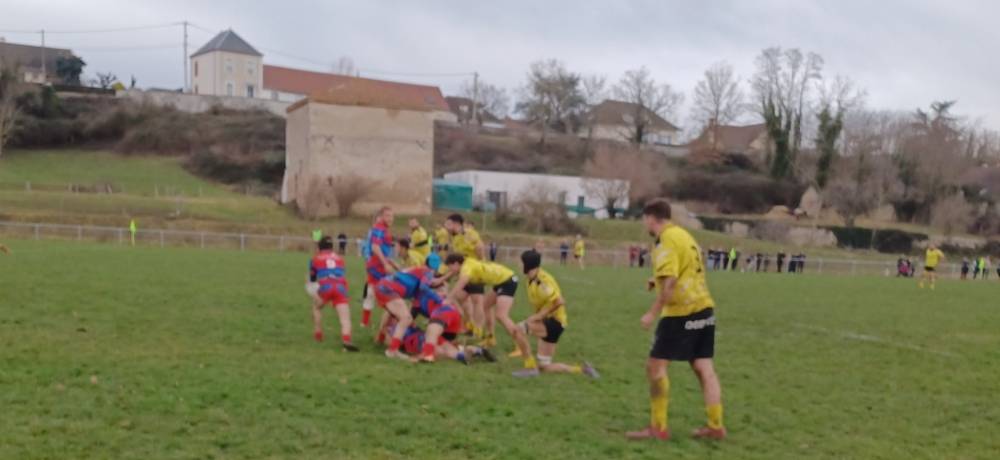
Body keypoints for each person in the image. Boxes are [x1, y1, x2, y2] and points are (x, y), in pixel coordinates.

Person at [627, 198, 725, 441]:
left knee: (655, 366)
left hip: (681, 312)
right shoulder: (683, 235)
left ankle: (658, 428)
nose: (645, 224)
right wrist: (656, 279)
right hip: (704, 308)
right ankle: (716, 426)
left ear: (651, 218)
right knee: (704, 368)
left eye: (645, 220)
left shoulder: (665, 240)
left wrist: (652, 312)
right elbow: (686, 268)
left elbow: (670, 281)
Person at [443, 253, 538, 376]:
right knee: (485, 306)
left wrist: (449, 299)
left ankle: (519, 346)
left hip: (508, 280)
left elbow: (461, 282)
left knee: (501, 315)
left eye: (450, 266)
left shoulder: (467, 267)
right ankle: (490, 338)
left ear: (456, 264)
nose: (450, 270)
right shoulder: (466, 262)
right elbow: (457, 274)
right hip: (501, 281)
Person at [515, 250, 599, 378]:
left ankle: (530, 367)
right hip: (552, 322)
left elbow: (559, 301)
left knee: (518, 330)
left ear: (528, 264)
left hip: (555, 322)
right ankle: (582, 370)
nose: (518, 265)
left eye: (521, 262)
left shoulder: (542, 281)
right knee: (544, 366)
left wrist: (538, 316)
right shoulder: (530, 279)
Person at [374, 256, 442, 359]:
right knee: (406, 318)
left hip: (383, 286)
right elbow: (423, 287)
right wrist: (439, 299)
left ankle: (381, 338)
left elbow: (417, 290)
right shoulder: (428, 272)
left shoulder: (418, 268)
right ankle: (392, 350)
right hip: (389, 289)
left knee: (393, 314)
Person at [306, 236, 358, 351]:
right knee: (345, 318)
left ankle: (318, 333)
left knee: (316, 307)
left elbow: (312, 279)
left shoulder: (315, 259)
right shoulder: (340, 258)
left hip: (325, 286)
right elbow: (341, 272)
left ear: (319, 247)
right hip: (340, 287)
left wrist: (314, 292)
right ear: (332, 247)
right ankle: (346, 340)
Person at [445, 214, 488, 342]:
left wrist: (479, 264)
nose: (446, 226)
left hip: (475, 272)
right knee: (459, 297)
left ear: (456, 224)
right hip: (464, 273)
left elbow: (480, 247)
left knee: (477, 301)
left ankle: (478, 331)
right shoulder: (455, 237)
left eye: (448, 224)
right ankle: (469, 324)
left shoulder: (470, 233)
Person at [362, 207, 398, 328]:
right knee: (388, 292)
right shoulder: (379, 228)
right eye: (387, 216)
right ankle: (392, 321)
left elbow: (383, 250)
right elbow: (375, 247)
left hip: (377, 264)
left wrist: (393, 264)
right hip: (377, 266)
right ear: (381, 217)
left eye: (392, 216)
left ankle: (365, 322)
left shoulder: (384, 229)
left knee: (373, 292)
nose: (390, 218)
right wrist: (385, 264)